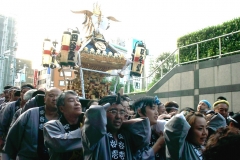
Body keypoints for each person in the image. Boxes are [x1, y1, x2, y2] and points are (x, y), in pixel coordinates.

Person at [82, 93, 152, 160]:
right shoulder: (94, 136)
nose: (118, 116)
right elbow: (94, 114)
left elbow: (144, 128)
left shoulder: (127, 135)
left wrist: (123, 123)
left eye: (122, 112)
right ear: (102, 114)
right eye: (113, 111)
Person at [3, 87, 61, 160]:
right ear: (44, 99)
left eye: (58, 96)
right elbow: (12, 138)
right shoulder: (30, 114)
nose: (55, 99)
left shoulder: (66, 117)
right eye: (51, 96)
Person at [44, 90, 84, 160]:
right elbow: (60, 145)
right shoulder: (51, 125)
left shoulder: (85, 121)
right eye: (71, 100)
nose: (77, 103)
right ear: (62, 109)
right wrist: (86, 128)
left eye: (78, 100)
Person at [0, 84, 35, 151]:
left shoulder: (36, 108)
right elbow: (2, 123)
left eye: (29, 92)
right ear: (20, 93)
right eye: (23, 92)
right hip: (8, 138)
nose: (25, 94)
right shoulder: (10, 106)